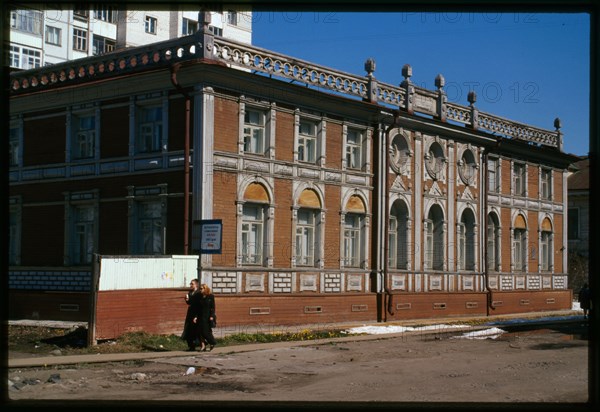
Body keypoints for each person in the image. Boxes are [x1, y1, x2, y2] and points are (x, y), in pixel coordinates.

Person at [181, 279, 205, 351]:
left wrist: (197, 316)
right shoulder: (190, 292)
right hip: (190, 313)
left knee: (197, 330)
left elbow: (200, 305)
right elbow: (189, 303)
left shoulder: (199, 293)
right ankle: (191, 346)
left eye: (192, 284)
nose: (191, 285)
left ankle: (202, 344)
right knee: (188, 329)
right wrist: (187, 299)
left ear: (196, 285)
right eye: (190, 284)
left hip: (196, 312)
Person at [198, 283, 217, 351]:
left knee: (206, 331)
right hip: (200, 316)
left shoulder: (210, 296)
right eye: (200, 289)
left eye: (201, 288)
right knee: (200, 332)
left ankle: (212, 342)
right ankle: (203, 346)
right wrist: (196, 317)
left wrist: (212, 316)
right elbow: (198, 308)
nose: (200, 290)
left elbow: (213, 307)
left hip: (208, 316)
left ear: (205, 289)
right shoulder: (200, 297)